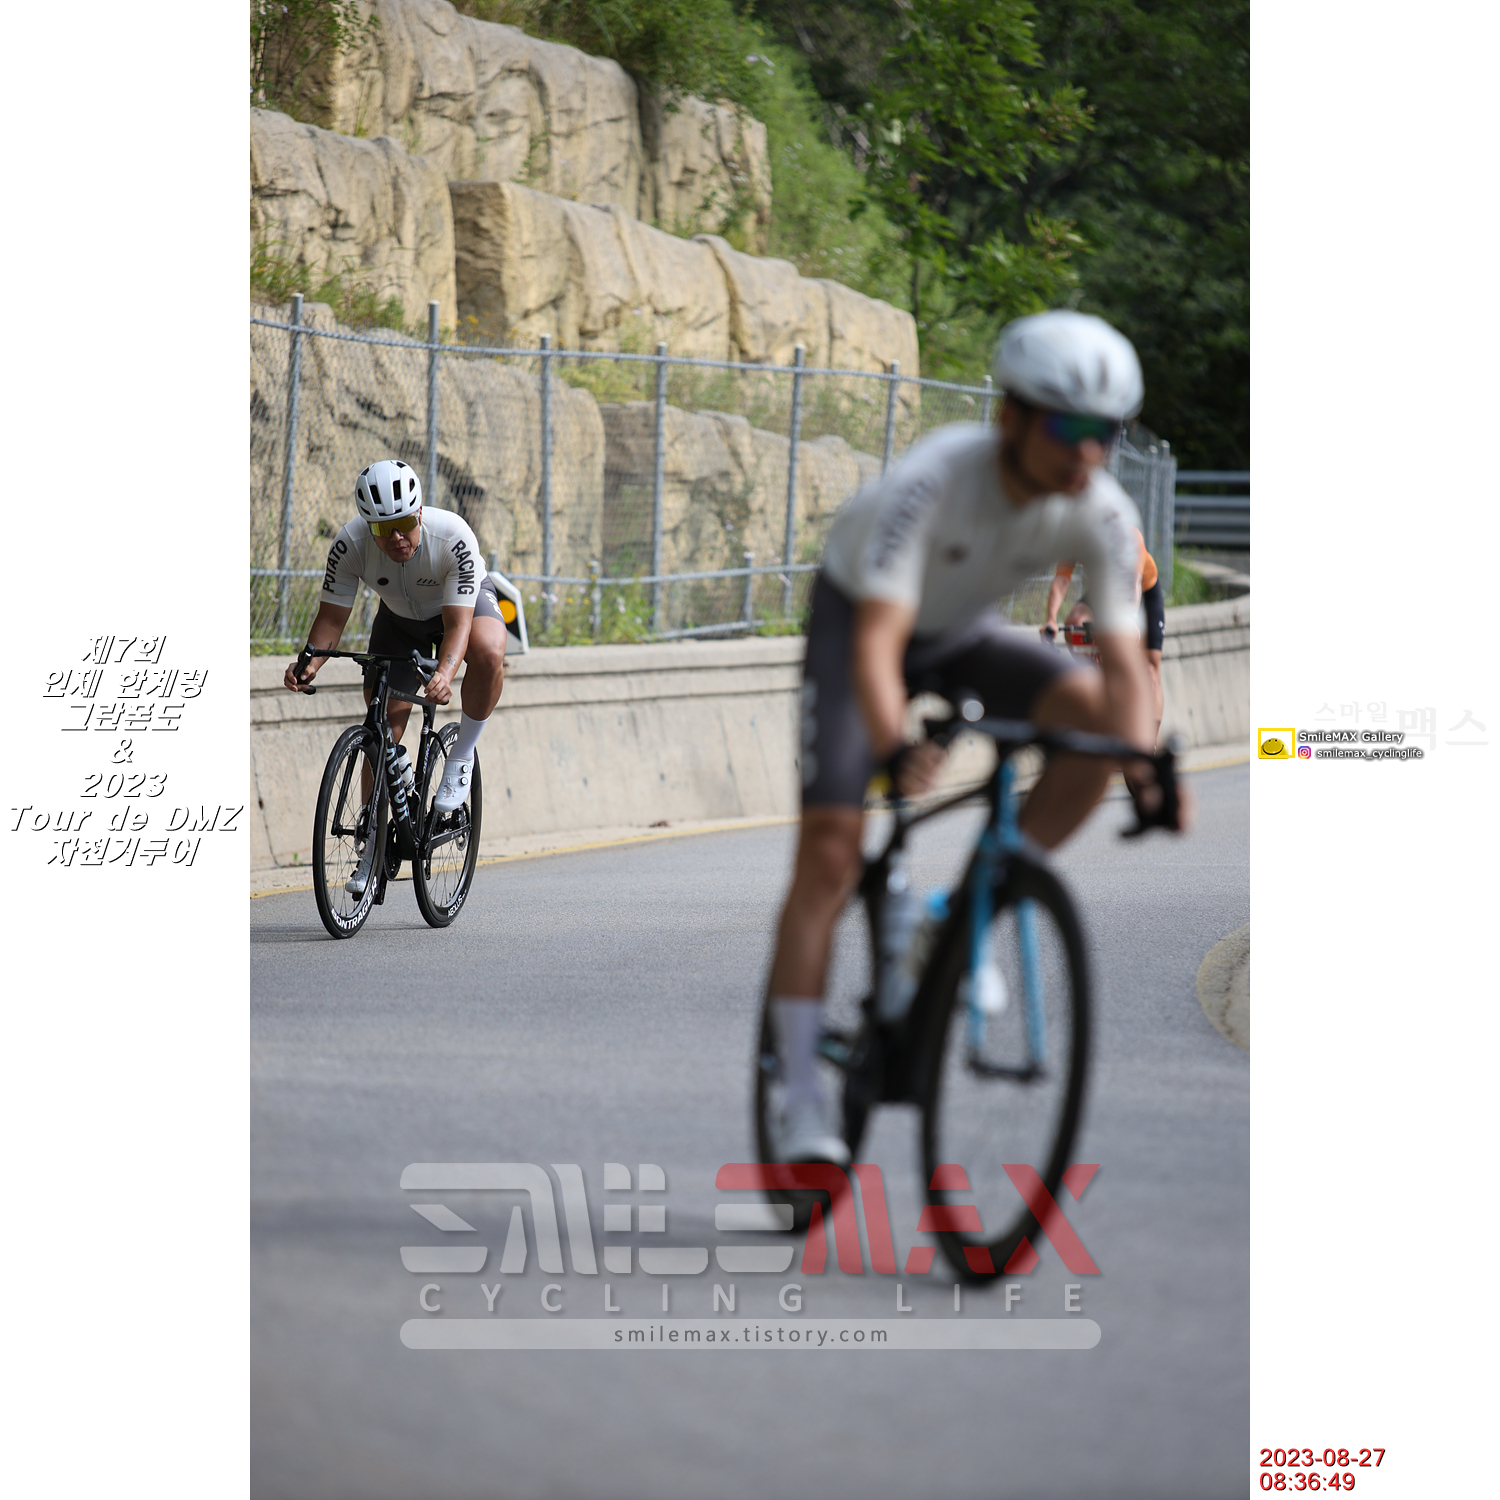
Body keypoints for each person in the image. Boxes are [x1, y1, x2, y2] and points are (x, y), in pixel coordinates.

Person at [767, 310, 1189, 1166]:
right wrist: (894, 746)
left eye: (1105, 432)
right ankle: (799, 1092)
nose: (1086, 453)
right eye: (1066, 428)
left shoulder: (1102, 511)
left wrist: (1143, 765)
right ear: (1011, 416)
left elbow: (1122, 669)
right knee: (831, 851)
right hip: (862, 624)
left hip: (963, 631)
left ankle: (964, 912)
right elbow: (879, 645)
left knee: (1094, 722)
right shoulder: (938, 478)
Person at [283, 459, 507, 893]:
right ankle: (373, 843)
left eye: (404, 523)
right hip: (400, 621)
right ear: (369, 527)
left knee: (487, 651)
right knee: (382, 728)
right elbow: (331, 618)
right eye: (384, 529)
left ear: (419, 512)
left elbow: (458, 626)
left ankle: (461, 754)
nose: (397, 537)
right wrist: (309, 662)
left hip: (461, 607)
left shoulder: (452, 535)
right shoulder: (350, 544)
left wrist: (446, 672)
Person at [1043, 529, 1166, 736]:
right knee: (1076, 622)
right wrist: (1050, 619)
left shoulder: (1129, 535)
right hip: (1105, 592)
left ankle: (1150, 741)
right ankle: (1094, 684)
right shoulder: (1077, 533)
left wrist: (1128, 621)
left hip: (1141, 593)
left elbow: (1133, 583)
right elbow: (1062, 580)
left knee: (1151, 667)